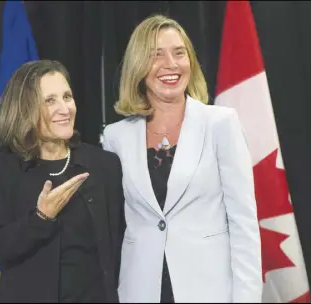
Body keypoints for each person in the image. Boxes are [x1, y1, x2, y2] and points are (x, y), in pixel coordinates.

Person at [102, 15, 262, 303]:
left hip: (208, 290)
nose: (171, 64)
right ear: (138, 66)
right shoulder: (115, 138)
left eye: (179, 53)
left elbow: (244, 224)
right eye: (156, 55)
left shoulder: (220, 124)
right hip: (140, 290)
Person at [0, 60, 125, 303]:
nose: (64, 108)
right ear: (24, 109)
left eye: (67, 96)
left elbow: (118, 244)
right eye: (50, 100)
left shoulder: (104, 164)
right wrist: (40, 219)